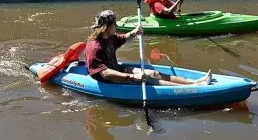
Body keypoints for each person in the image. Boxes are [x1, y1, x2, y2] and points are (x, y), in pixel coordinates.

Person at [84, 10, 212, 86]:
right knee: (149, 79)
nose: (116, 25)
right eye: (114, 24)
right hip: (110, 79)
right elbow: (105, 74)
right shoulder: (94, 47)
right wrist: (133, 77)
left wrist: (134, 32)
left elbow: (124, 38)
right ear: (106, 27)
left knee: (153, 73)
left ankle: (193, 82)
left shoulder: (110, 37)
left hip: (116, 69)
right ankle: (194, 88)